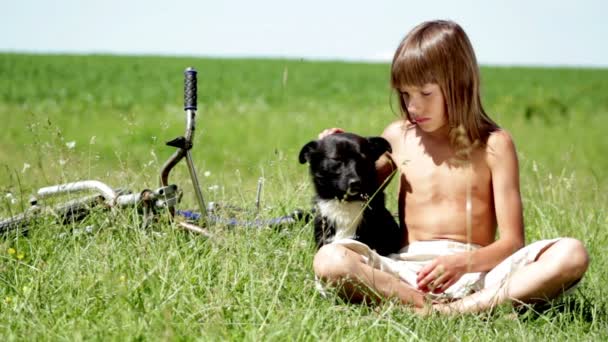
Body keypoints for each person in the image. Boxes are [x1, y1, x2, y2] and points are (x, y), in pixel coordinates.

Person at [313, 20, 589, 314]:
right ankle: (421, 304)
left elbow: (512, 242)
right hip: (407, 271)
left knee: (571, 254)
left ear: (459, 84)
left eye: (425, 94)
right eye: (405, 95)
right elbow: (359, 187)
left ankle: (456, 310)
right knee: (329, 260)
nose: (413, 107)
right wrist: (339, 149)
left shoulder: (495, 144)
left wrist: (461, 263)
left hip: (480, 272)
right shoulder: (398, 136)